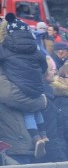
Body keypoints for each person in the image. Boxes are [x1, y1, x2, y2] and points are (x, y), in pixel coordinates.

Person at [0, 14, 49, 157]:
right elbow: (8, 94)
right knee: (33, 112)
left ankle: (37, 137)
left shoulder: (4, 52)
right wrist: (41, 100)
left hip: (18, 140)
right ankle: (40, 135)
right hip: (15, 143)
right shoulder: (35, 50)